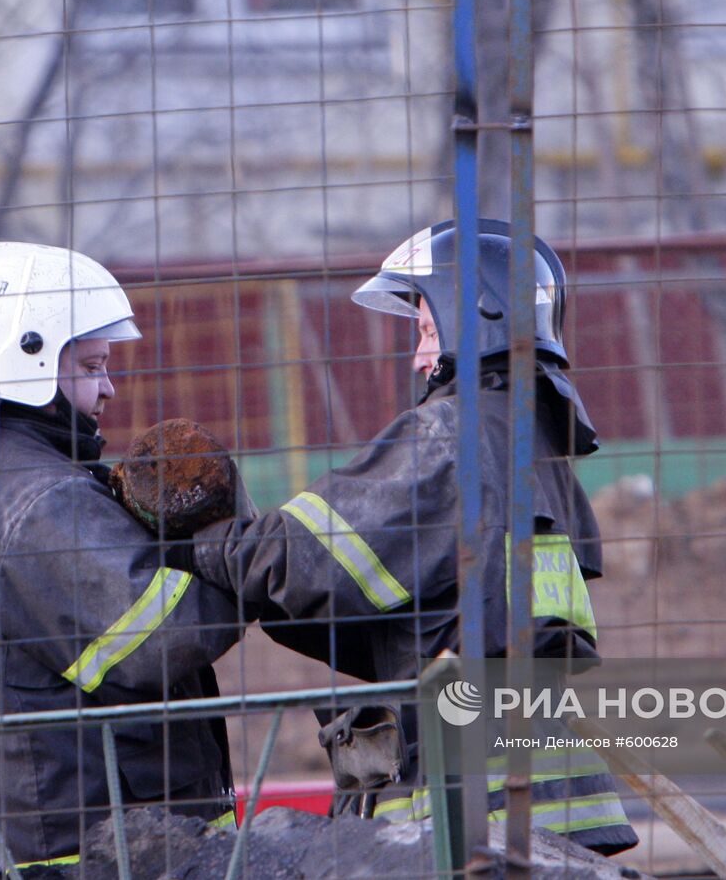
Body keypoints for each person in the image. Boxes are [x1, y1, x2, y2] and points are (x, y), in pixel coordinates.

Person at [185, 219, 637, 854]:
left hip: (464, 804)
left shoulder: (449, 435)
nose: (419, 355)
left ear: (475, 323)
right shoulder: (539, 449)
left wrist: (200, 536)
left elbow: (302, 565)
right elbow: (435, 617)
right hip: (554, 799)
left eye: (427, 330)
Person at [0, 242, 241, 873]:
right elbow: (159, 638)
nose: (110, 388)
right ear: (27, 360)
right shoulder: (36, 497)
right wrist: (229, 546)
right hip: (96, 847)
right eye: (93, 365)